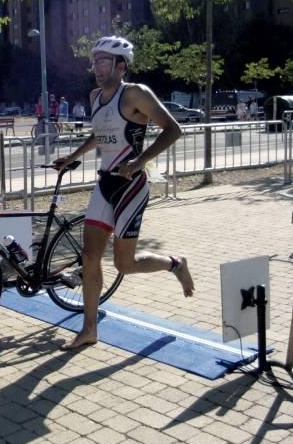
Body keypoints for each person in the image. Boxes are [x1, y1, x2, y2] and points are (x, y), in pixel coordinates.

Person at [53, 36, 195, 350]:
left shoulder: (135, 94)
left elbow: (174, 129)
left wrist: (141, 160)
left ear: (121, 65)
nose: (96, 68)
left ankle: (175, 264)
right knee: (89, 258)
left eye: (103, 62)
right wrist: (72, 157)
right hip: (104, 185)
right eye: (94, 62)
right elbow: (99, 134)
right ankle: (89, 329)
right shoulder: (94, 96)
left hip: (131, 187)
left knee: (123, 265)